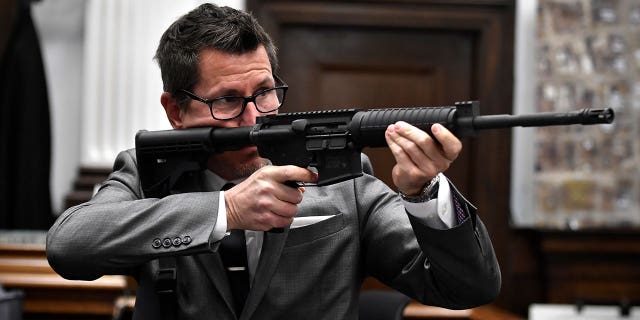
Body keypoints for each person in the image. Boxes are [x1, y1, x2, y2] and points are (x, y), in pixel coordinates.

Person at [46, 3, 500, 320]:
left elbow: (467, 289)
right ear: (175, 111)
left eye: (264, 92)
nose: (254, 117)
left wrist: (423, 193)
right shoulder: (147, 174)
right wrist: (226, 212)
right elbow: (69, 246)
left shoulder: (343, 178)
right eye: (227, 100)